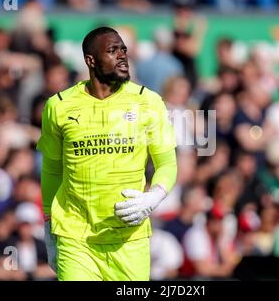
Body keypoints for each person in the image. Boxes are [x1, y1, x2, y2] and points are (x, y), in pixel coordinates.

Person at [36, 26, 177, 281]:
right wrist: (48, 226)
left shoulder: (149, 101)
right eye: (113, 51)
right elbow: (52, 170)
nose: (122, 55)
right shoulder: (58, 106)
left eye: (123, 49)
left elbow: (167, 163)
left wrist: (153, 197)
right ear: (91, 60)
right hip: (75, 238)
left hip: (129, 239)